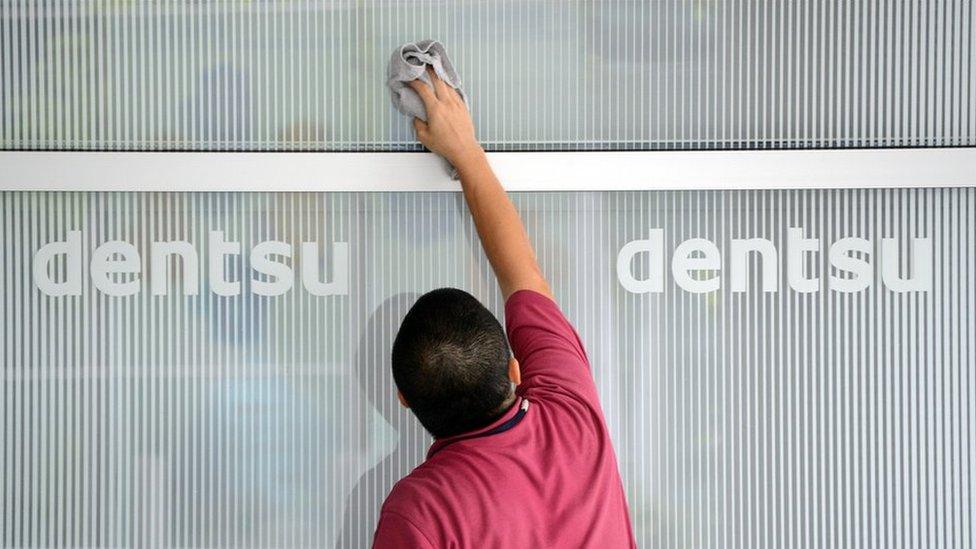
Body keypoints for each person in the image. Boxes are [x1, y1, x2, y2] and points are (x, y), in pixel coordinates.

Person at [372, 67, 636, 548]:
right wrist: (466, 152)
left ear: (404, 398)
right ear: (516, 369)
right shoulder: (572, 418)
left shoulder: (420, 512)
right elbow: (524, 276)